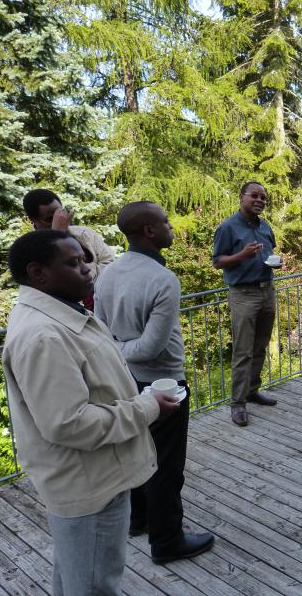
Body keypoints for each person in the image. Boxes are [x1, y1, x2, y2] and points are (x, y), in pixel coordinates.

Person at [2, 230, 179, 596]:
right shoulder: (44, 336)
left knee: (75, 576)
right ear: (38, 273)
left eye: (84, 260)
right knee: (95, 584)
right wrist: (147, 407)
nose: (87, 269)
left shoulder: (66, 311)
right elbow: (68, 423)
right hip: (90, 483)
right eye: (73, 262)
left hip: (98, 473)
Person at [94, 202, 215, 564]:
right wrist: (125, 349)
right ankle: (167, 542)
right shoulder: (163, 279)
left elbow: (102, 333)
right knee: (166, 464)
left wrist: (116, 350)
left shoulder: (108, 275)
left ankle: (139, 520)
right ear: (149, 231)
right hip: (163, 383)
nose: (171, 227)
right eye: (165, 222)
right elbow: (151, 346)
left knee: (136, 452)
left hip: (125, 379)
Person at [213, 182, 279, 427]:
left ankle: (252, 390)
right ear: (242, 197)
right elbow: (218, 262)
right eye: (255, 195)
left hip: (266, 290)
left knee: (260, 346)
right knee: (243, 350)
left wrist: (274, 263)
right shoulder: (228, 227)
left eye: (263, 197)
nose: (260, 200)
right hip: (243, 294)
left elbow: (270, 252)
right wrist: (242, 255)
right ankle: (237, 403)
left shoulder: (265, 227)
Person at [22, 188, 116, 309]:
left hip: (104, 306)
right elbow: (53, 282)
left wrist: (84, 273)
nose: (59, 220)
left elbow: (111, 265)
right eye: (50, 219)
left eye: (60, 214)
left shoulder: (85, 234)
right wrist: (57, 237)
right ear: (33, 220)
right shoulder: (28, 249)